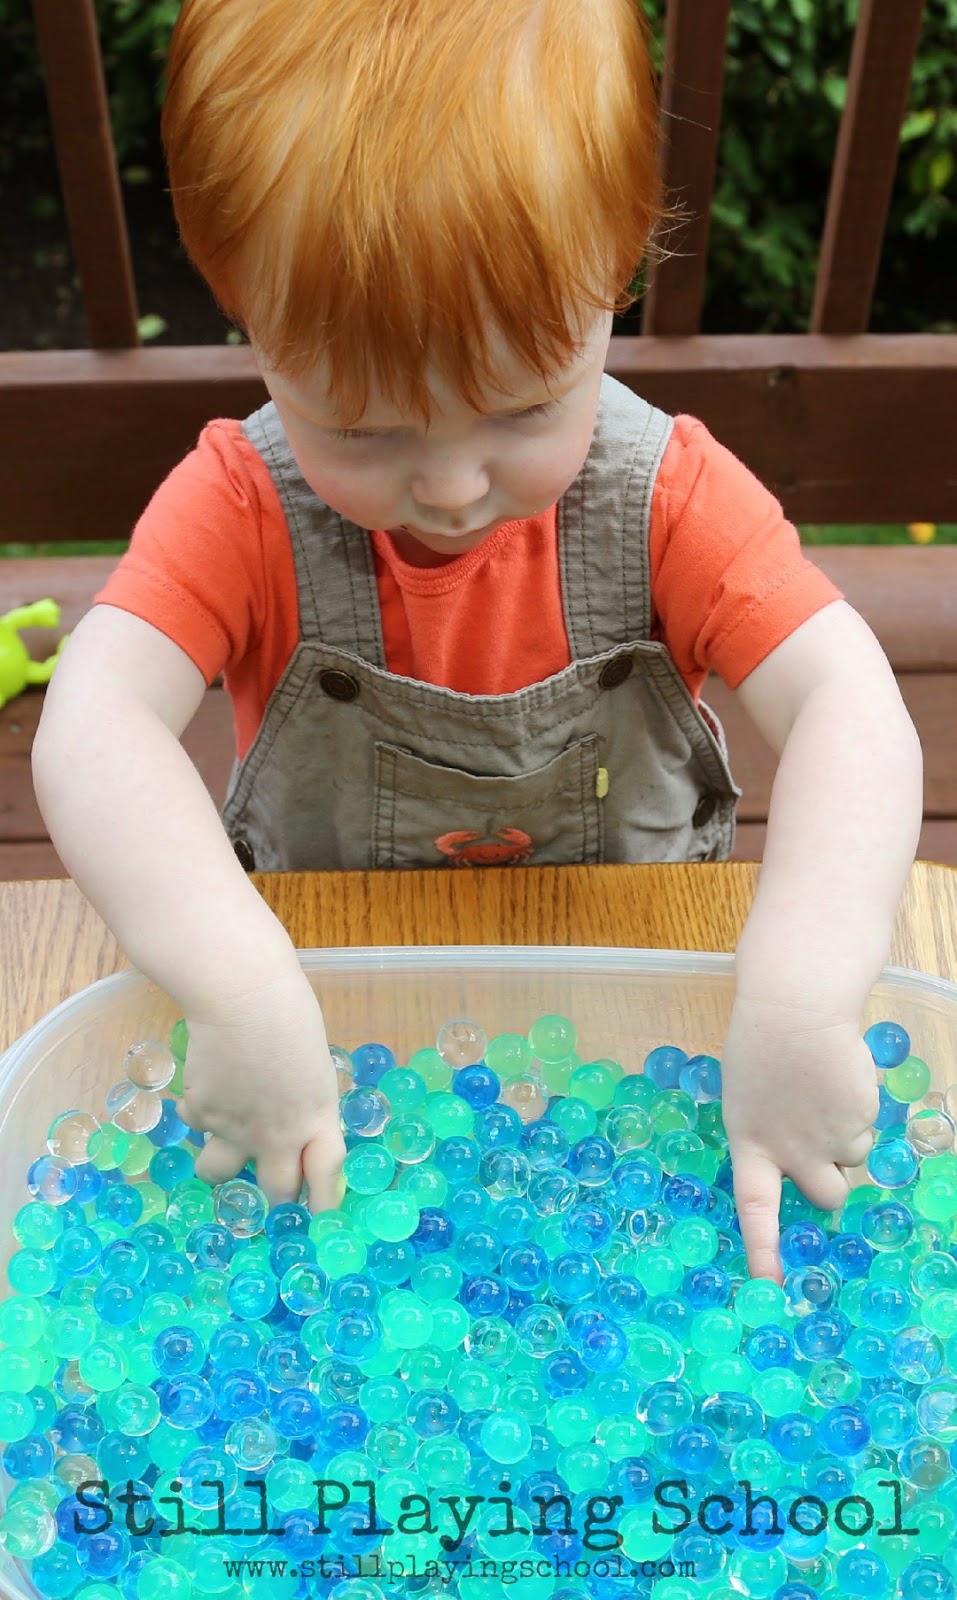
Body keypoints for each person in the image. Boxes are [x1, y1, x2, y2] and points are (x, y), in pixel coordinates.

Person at [32, 0, 922, 1281]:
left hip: (641, 1016)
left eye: (520, 406)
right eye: (364, 427)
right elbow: (93, 718)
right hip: (333, 1020)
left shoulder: (665, 496)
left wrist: (802, 991)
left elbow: (849, 698)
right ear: (249, 323)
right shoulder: (241, 504)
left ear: (616, 278)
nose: (450, 486)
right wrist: (234, 984)